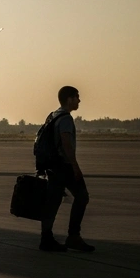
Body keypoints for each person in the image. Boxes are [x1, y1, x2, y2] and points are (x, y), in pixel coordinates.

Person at [39, 86, 94, 253]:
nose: (79, 100)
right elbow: (66, 143)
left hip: (52, 165)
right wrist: (75, 166)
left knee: (53, 202)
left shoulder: (53, 115)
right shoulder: (66, 119)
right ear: (69, 99)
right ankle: (73, 236)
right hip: (64, 166)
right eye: (77, 97)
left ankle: (46, 239)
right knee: (82, 196)